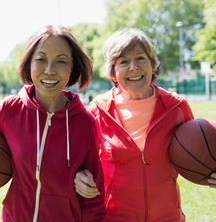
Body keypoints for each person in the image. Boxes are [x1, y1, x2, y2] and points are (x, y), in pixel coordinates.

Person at [0, 25, 106, 221]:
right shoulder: (10, 109)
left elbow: (94, 194)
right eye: (41, 59)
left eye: (61, 61)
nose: (49, 70)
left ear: (73, 68)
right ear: (29, 64)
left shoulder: (85, 123)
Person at [74, 27, 216, 222]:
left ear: (152, 64)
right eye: (123, 62)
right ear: (113, 72)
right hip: (114, 217)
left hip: (168, 216)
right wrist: (78, 176)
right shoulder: (99, 110)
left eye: (140, 58)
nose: (134, 67)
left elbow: (203, 148)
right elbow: (77, 161)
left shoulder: (176, 106)